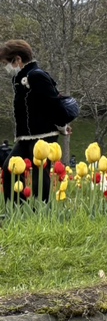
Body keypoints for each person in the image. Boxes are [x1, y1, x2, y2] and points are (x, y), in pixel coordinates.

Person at [0, 39, 69, 203]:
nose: (6, 68)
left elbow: (53, 102)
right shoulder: (18, 79)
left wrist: (63, 126)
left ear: (17, 59)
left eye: (6, 63)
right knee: (9, 168)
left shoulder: (37, 75)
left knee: (40, 172)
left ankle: (41, 211)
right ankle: (17, 209)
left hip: (44, 134)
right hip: (25, 136)